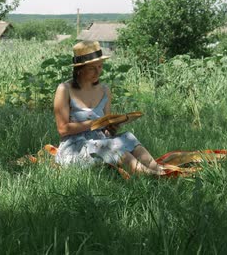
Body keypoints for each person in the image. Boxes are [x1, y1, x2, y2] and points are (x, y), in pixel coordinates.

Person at [53, 40, 169, 176]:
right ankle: (149, 175)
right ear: (79, 69)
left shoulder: (105, 90)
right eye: (92, 68)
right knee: (114, 147)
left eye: (100, 66)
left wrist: (111, 127)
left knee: (128, 137)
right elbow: (62, 129)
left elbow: (107, 131)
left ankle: (158, 170)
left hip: (100, 141)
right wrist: (95, 123)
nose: (98, 72)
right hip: (75, 147)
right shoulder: (65, 89)